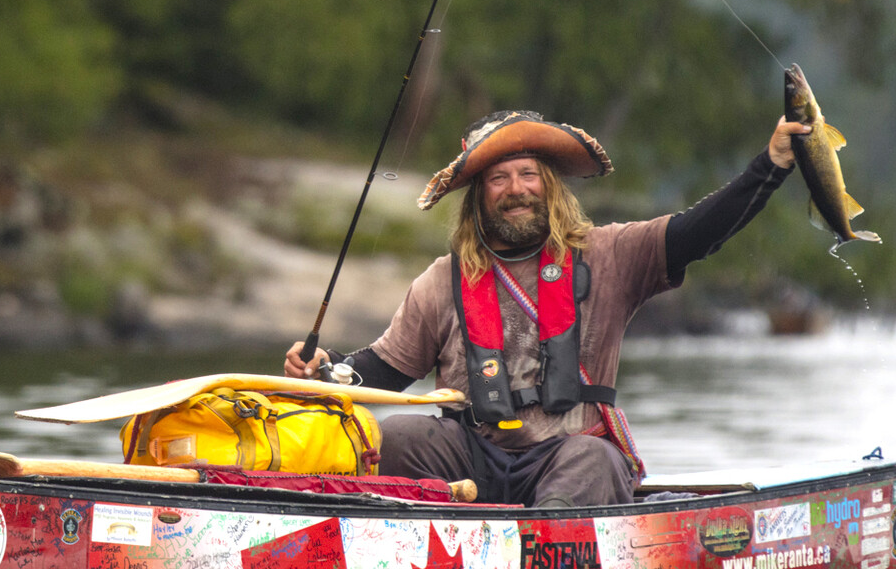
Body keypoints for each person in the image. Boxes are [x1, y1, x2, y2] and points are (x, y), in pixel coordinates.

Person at [284, 109, 809, 507]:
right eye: (498, 178)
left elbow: (700, 232)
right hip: (472, 454)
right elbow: (381, 373)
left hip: (568, 453)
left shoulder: (608, 253)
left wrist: (774, 163)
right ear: (478, 196)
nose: (516, 190)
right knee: (394, 436)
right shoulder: (440, 282)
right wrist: (325, 372)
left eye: (528, 174)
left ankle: (547, 541)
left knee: (591, 461)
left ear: (550, 185)